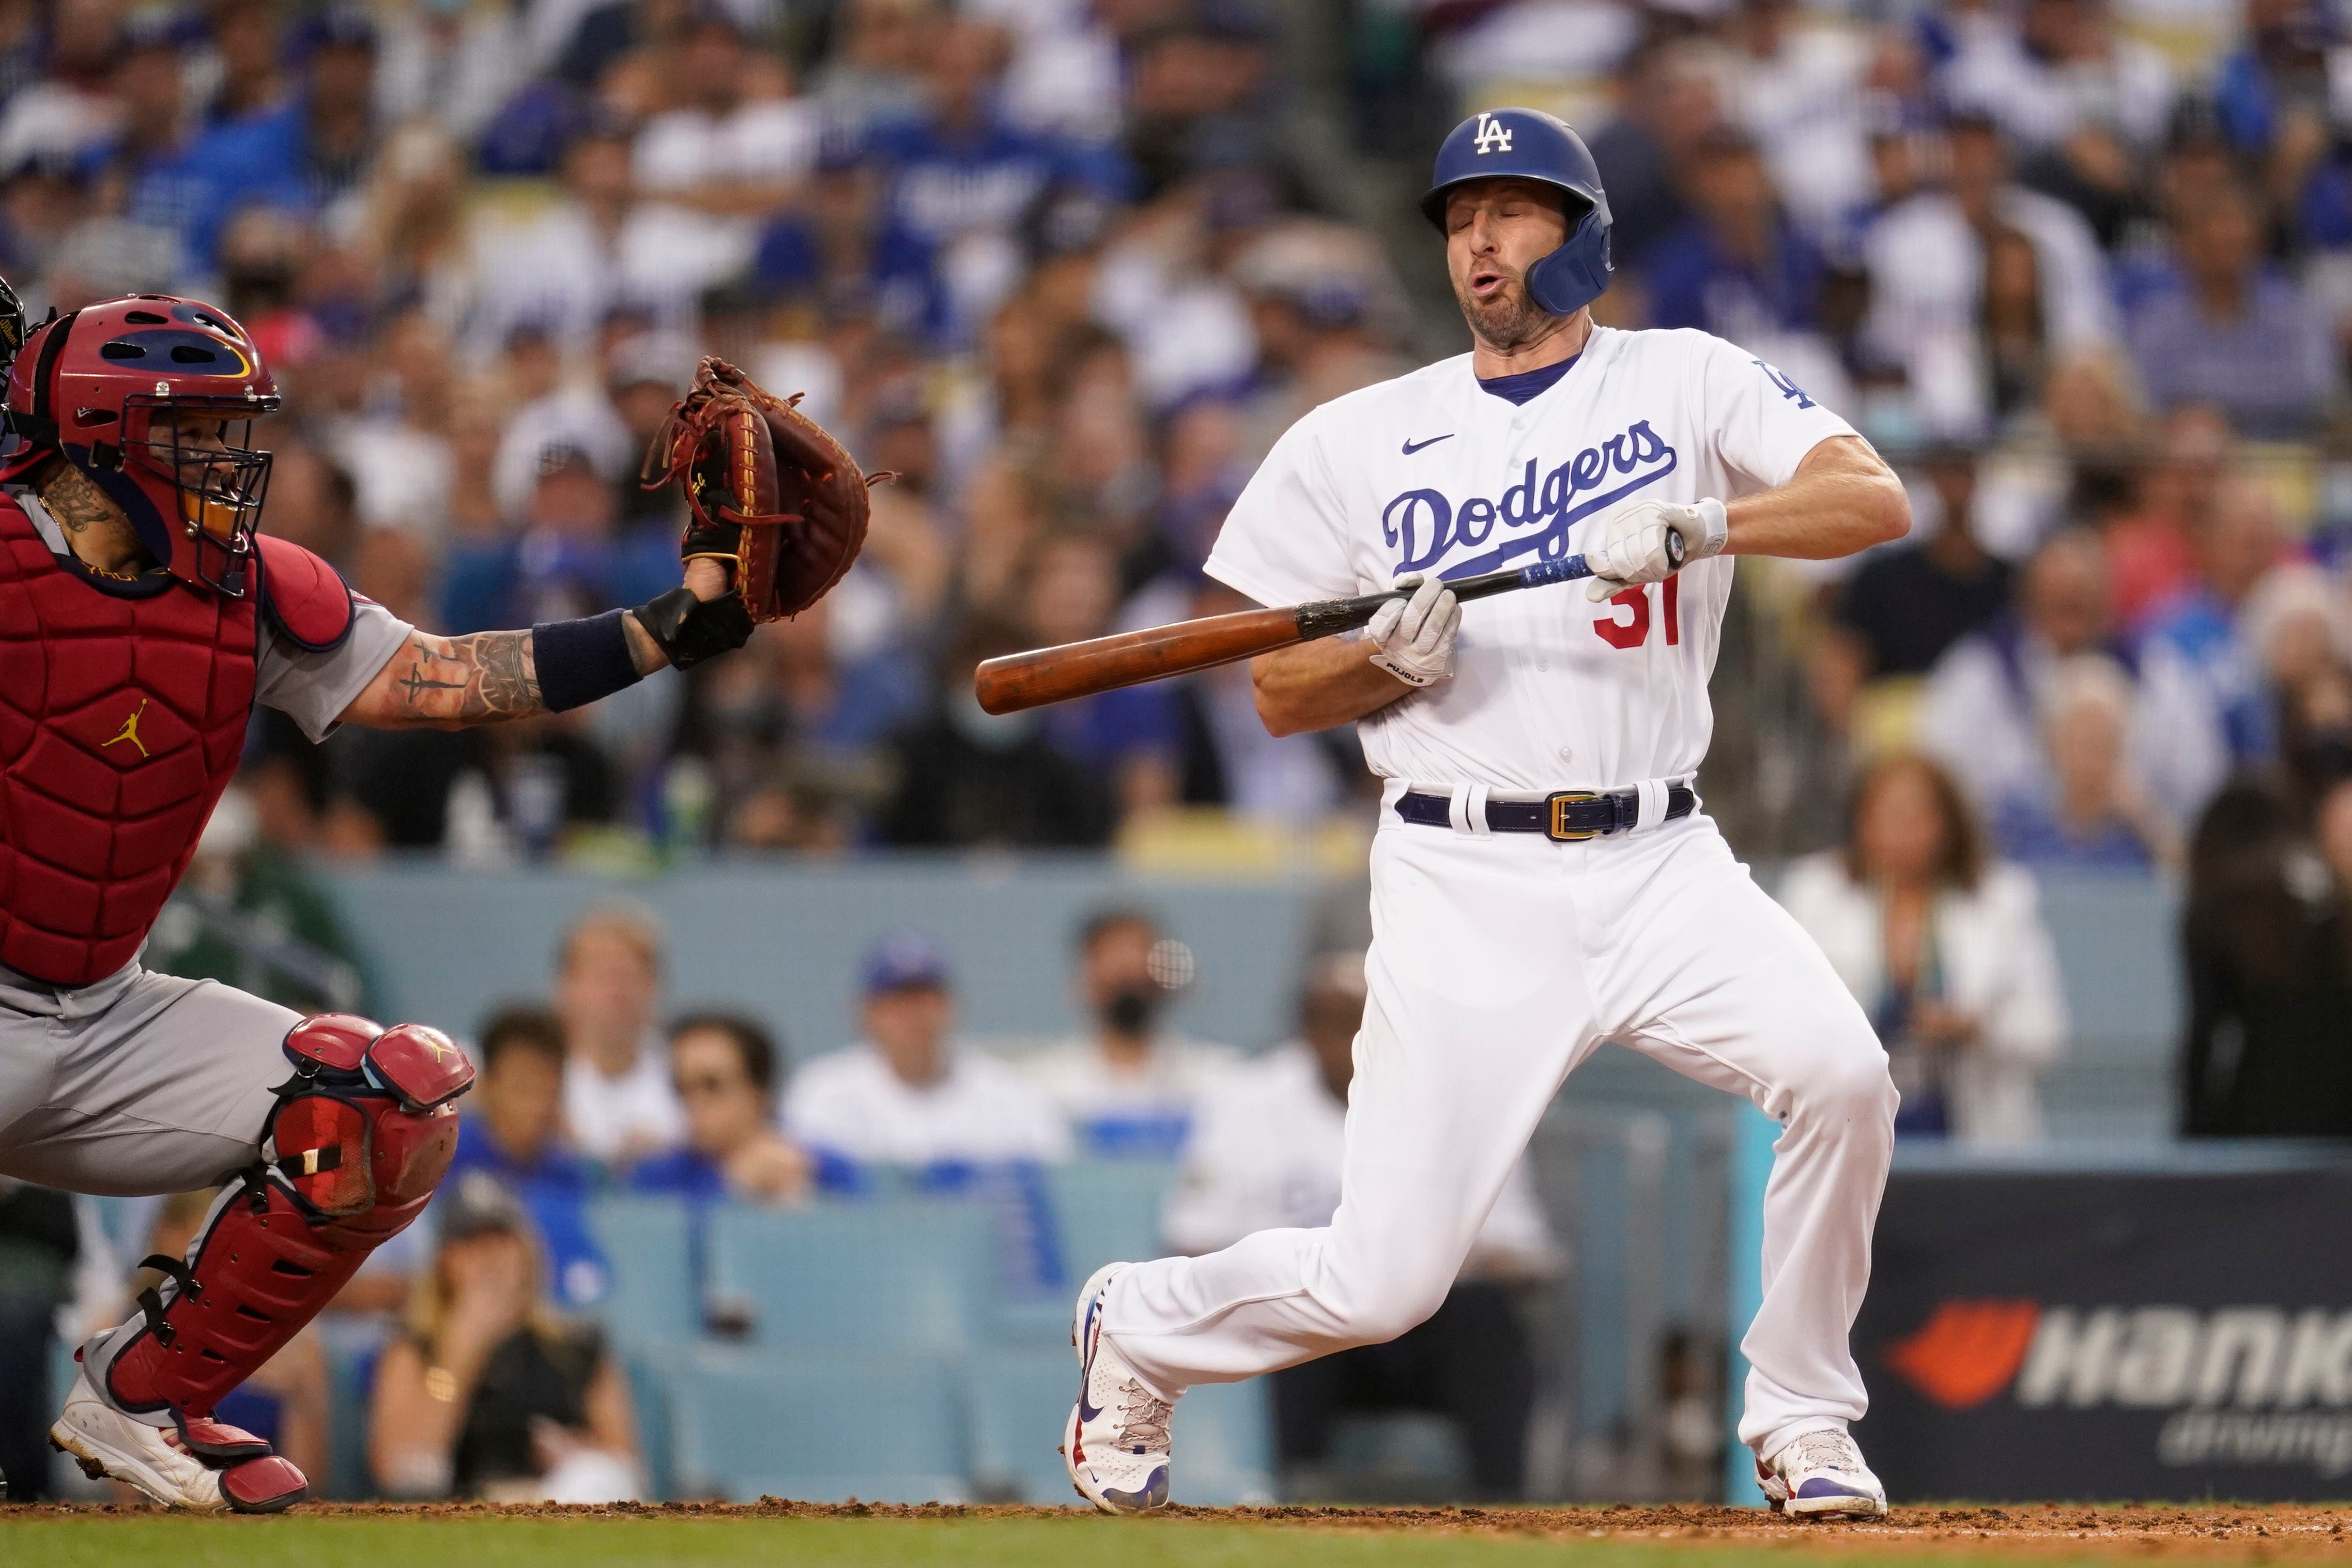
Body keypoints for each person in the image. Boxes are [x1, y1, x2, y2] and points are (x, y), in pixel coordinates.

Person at [1060, 109, 1911, 1519]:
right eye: (1460, 218)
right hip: (1463, 867)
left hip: (1657, 851)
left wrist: (1707, 524)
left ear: (1579, 236)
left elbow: (1866, 497)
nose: (1478, 242)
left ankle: (1803, 1410)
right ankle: (1141, 1324)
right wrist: (1376, 659)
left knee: (1842, 1075)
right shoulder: (1359, 437)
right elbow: (1274, 686)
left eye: (1511, 212)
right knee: (1384, 1278)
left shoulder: (1682, 381)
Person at [0, 290, 753, 1512]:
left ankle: (140, 1395)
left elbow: (450, 677)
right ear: (104, 438)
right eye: (195, 432)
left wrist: (664, 629)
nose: (230, 462)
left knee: (384, 1099)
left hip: (99, 1012)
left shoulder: (248, 588)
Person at [1162, 952, 1558, 1500]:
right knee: (1287, 1311)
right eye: (1336, 1020)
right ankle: (1286, 1501)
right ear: (1305, 1027)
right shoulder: (1247, 1100)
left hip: (1426, 1321)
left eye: (1368, 1019)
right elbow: (1193, 1239)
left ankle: (1505, 1508)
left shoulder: (1456, 1100)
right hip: (1310, 1328)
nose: (1353, 1036)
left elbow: (1525, 1255)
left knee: (1486, 1317)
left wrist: (1446, 1256)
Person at [1778, 755, 2069, 1144]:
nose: (1901, 833)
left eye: (1916, 818)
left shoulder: (2002, 900)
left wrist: (1975, 1030)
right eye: (1887, 817)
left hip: (1973, 1137)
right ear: (1860, 823)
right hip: (1841, 1134)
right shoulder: (1815, 895)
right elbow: (1780, 1023)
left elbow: (2044, 1033)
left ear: (1948, 825)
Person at [1919, 528, 2229, 834]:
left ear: (2108, 599)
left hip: (2136, 865)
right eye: (2060, 599)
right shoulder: (1977, 674)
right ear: (2028, 598)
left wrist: (2145, 813)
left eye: (2082, 599)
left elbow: (2203, 789)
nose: (2072, 614)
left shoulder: (2159, 675)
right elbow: (1937, 784)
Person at [370, 1173, 641, 1502]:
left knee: (599, 1477)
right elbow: (402, 1469)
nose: (489, 1258)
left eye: (501, 1240)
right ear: (446, 1261)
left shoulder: (574, 1346)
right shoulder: (417, 1347)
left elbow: (626, 1466)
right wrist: (460, 1353)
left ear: (526, 1254)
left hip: (560, 1504)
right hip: (459, 1513)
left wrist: (574, 1450)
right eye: (472, 1244)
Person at [782, 931, 1070, 1174]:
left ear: (954, 1006)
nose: (915, 1015)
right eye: (899, 1001)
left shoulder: (1012, 1096)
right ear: (865, 1013)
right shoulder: (822, 1091)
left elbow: (1056, 1183)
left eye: (927, 1000)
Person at [1019, 908, 1239, 1160]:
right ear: (1083, 982)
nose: (1129, 968)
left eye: (1141, 957)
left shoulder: (1223, 1082)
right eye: (1112, 960)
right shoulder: (1040, 1089)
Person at [445, 1007, 609, 1308]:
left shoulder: (572, 1174)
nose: (537, 1107)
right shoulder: (441, 1158)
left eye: (549, 1091)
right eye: (523, 1089)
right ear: (488, 1086)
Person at [552, 905, 686, 1166]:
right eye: (604, 976)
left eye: (632, 976)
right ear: (565, 988)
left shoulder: (688, 1072)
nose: (619, 992)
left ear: (657, 988)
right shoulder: (524, 1072)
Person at [630, 1014, 812, 1204]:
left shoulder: (822, 1167)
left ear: (759, 1093)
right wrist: (731, 1185)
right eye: (682, 1088)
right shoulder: (655, 1178)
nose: (694, 1103)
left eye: (712, 1086)